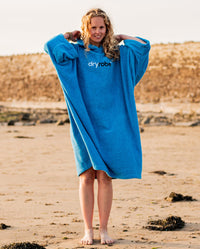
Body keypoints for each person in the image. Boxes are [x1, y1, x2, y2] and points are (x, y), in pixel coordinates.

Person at [44, 8, 150, 245]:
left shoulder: (116, 54)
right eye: (93, 27)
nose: (98, 32)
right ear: (86, 29)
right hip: (84, 122)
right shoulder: (76, 52)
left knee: (105, 176)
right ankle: (87, 231)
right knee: (86, 175)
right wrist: (68, 35)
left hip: (111, 123)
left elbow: (143, 46)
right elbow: (51, 46)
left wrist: (123, 38)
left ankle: (103, 230)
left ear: (107, 28)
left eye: (102, 27)